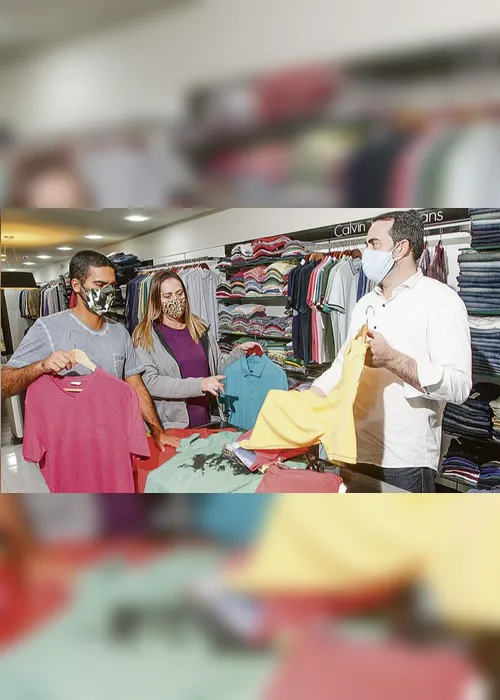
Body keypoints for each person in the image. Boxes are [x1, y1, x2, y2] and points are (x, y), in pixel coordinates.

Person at [310, 209, 472, 493]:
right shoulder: (364, 304)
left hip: (405, 461)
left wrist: (393, 359)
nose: (366, 252)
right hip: (354, 450)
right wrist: (309, 399)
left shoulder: (441, 301)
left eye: (373, 243)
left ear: (401, 248)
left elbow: (459, 386)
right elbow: (342, 364)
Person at [1, 251, 179, 452]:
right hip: (70, 446)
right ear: (76, 285)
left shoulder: (120, 332)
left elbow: (136, 386)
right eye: (100, 285)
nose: (108, 292)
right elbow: (5, 384)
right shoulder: (47, 328)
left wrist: (157, 431)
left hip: (115, 441)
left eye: (112, 286)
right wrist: (41, 366)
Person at [132, 270, 260, 430]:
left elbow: (217, 366)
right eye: (167, 296)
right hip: (172, 426)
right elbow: (150, 382)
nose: (175, 300)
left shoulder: (200, 327)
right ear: (156, 300)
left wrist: (238, 352)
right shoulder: (144, 335)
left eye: (179, 293)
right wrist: (199, 385)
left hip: (207, 420)